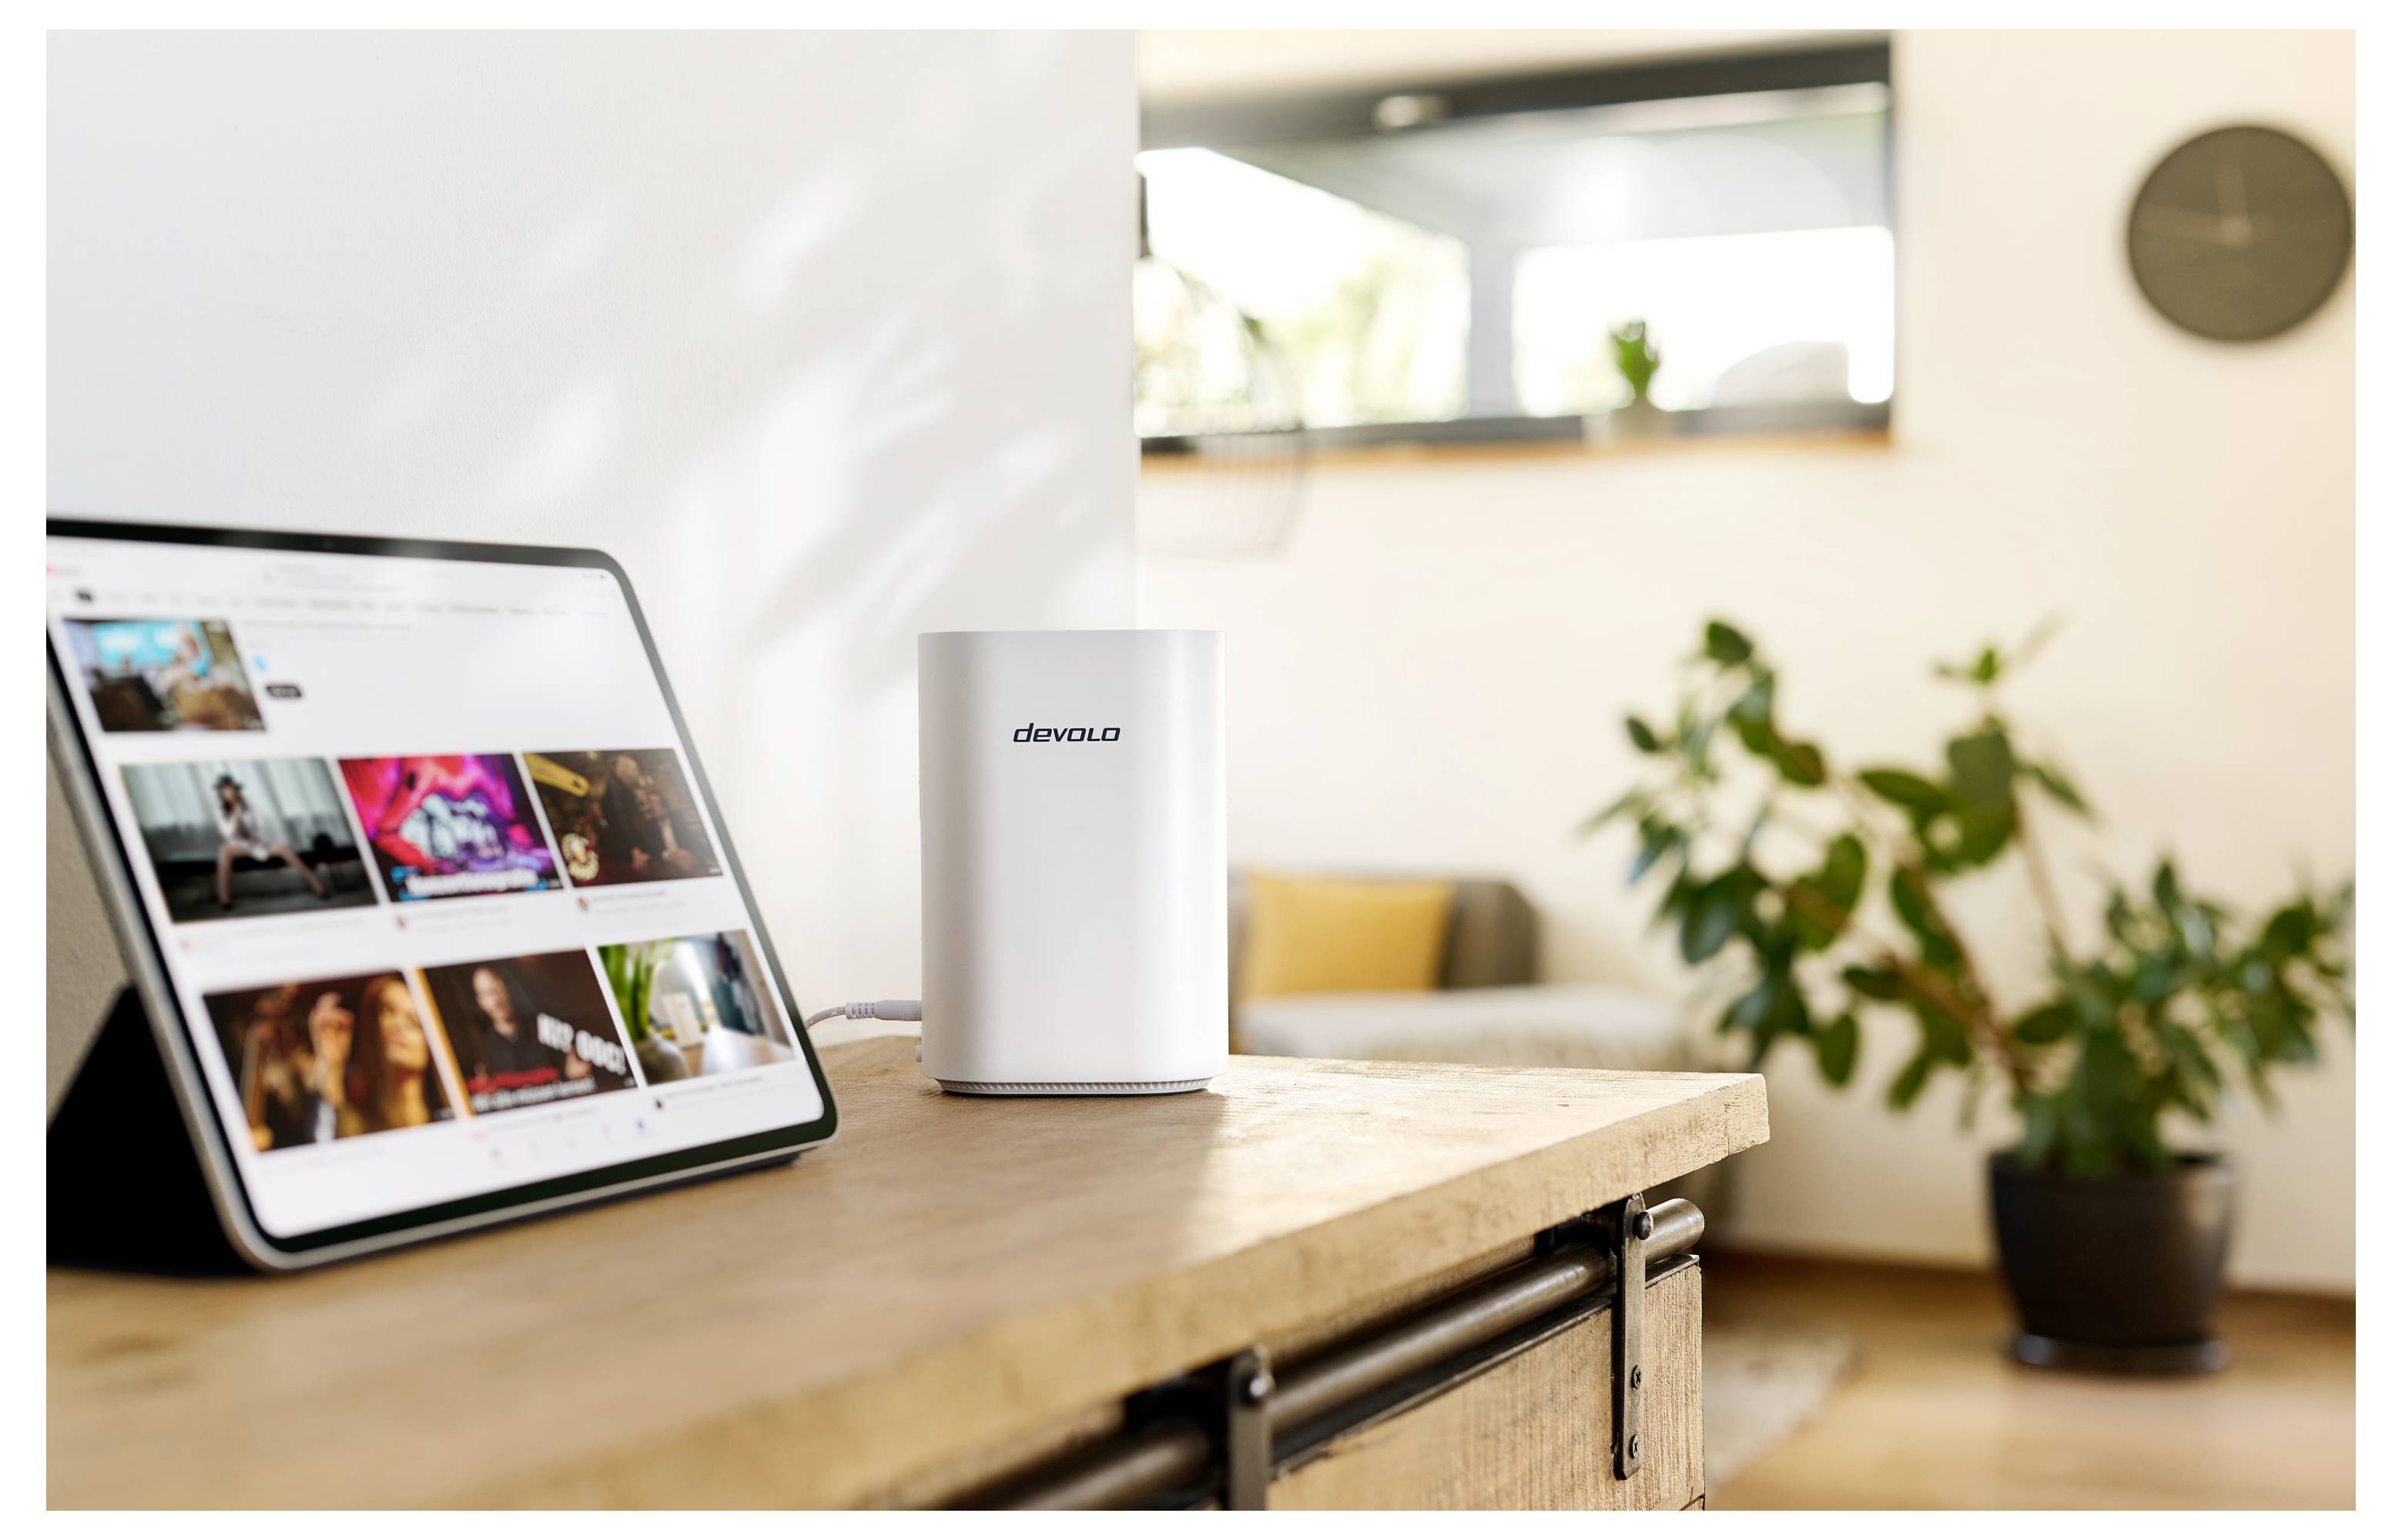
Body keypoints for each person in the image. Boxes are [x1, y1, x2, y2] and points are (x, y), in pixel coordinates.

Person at [344, 976, 451, 1133]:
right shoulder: (353, 1121)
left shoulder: (449, 1115)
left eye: (414, 1022)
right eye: (388, 1011)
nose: (398, 1025)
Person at [213, 773, 329, 912]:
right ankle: (224, 898)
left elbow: (262, 823)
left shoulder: (248, 804)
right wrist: (236, 816)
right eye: (224, 790)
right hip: (239, 846)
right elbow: (228, 833)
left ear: (236, 790)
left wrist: (256, 836)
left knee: (283, 848)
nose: (228, 792)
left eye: (230, 789)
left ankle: (316, 883)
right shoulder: (220, 810)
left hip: (257, 843)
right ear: (221, 793)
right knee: (223, 850)